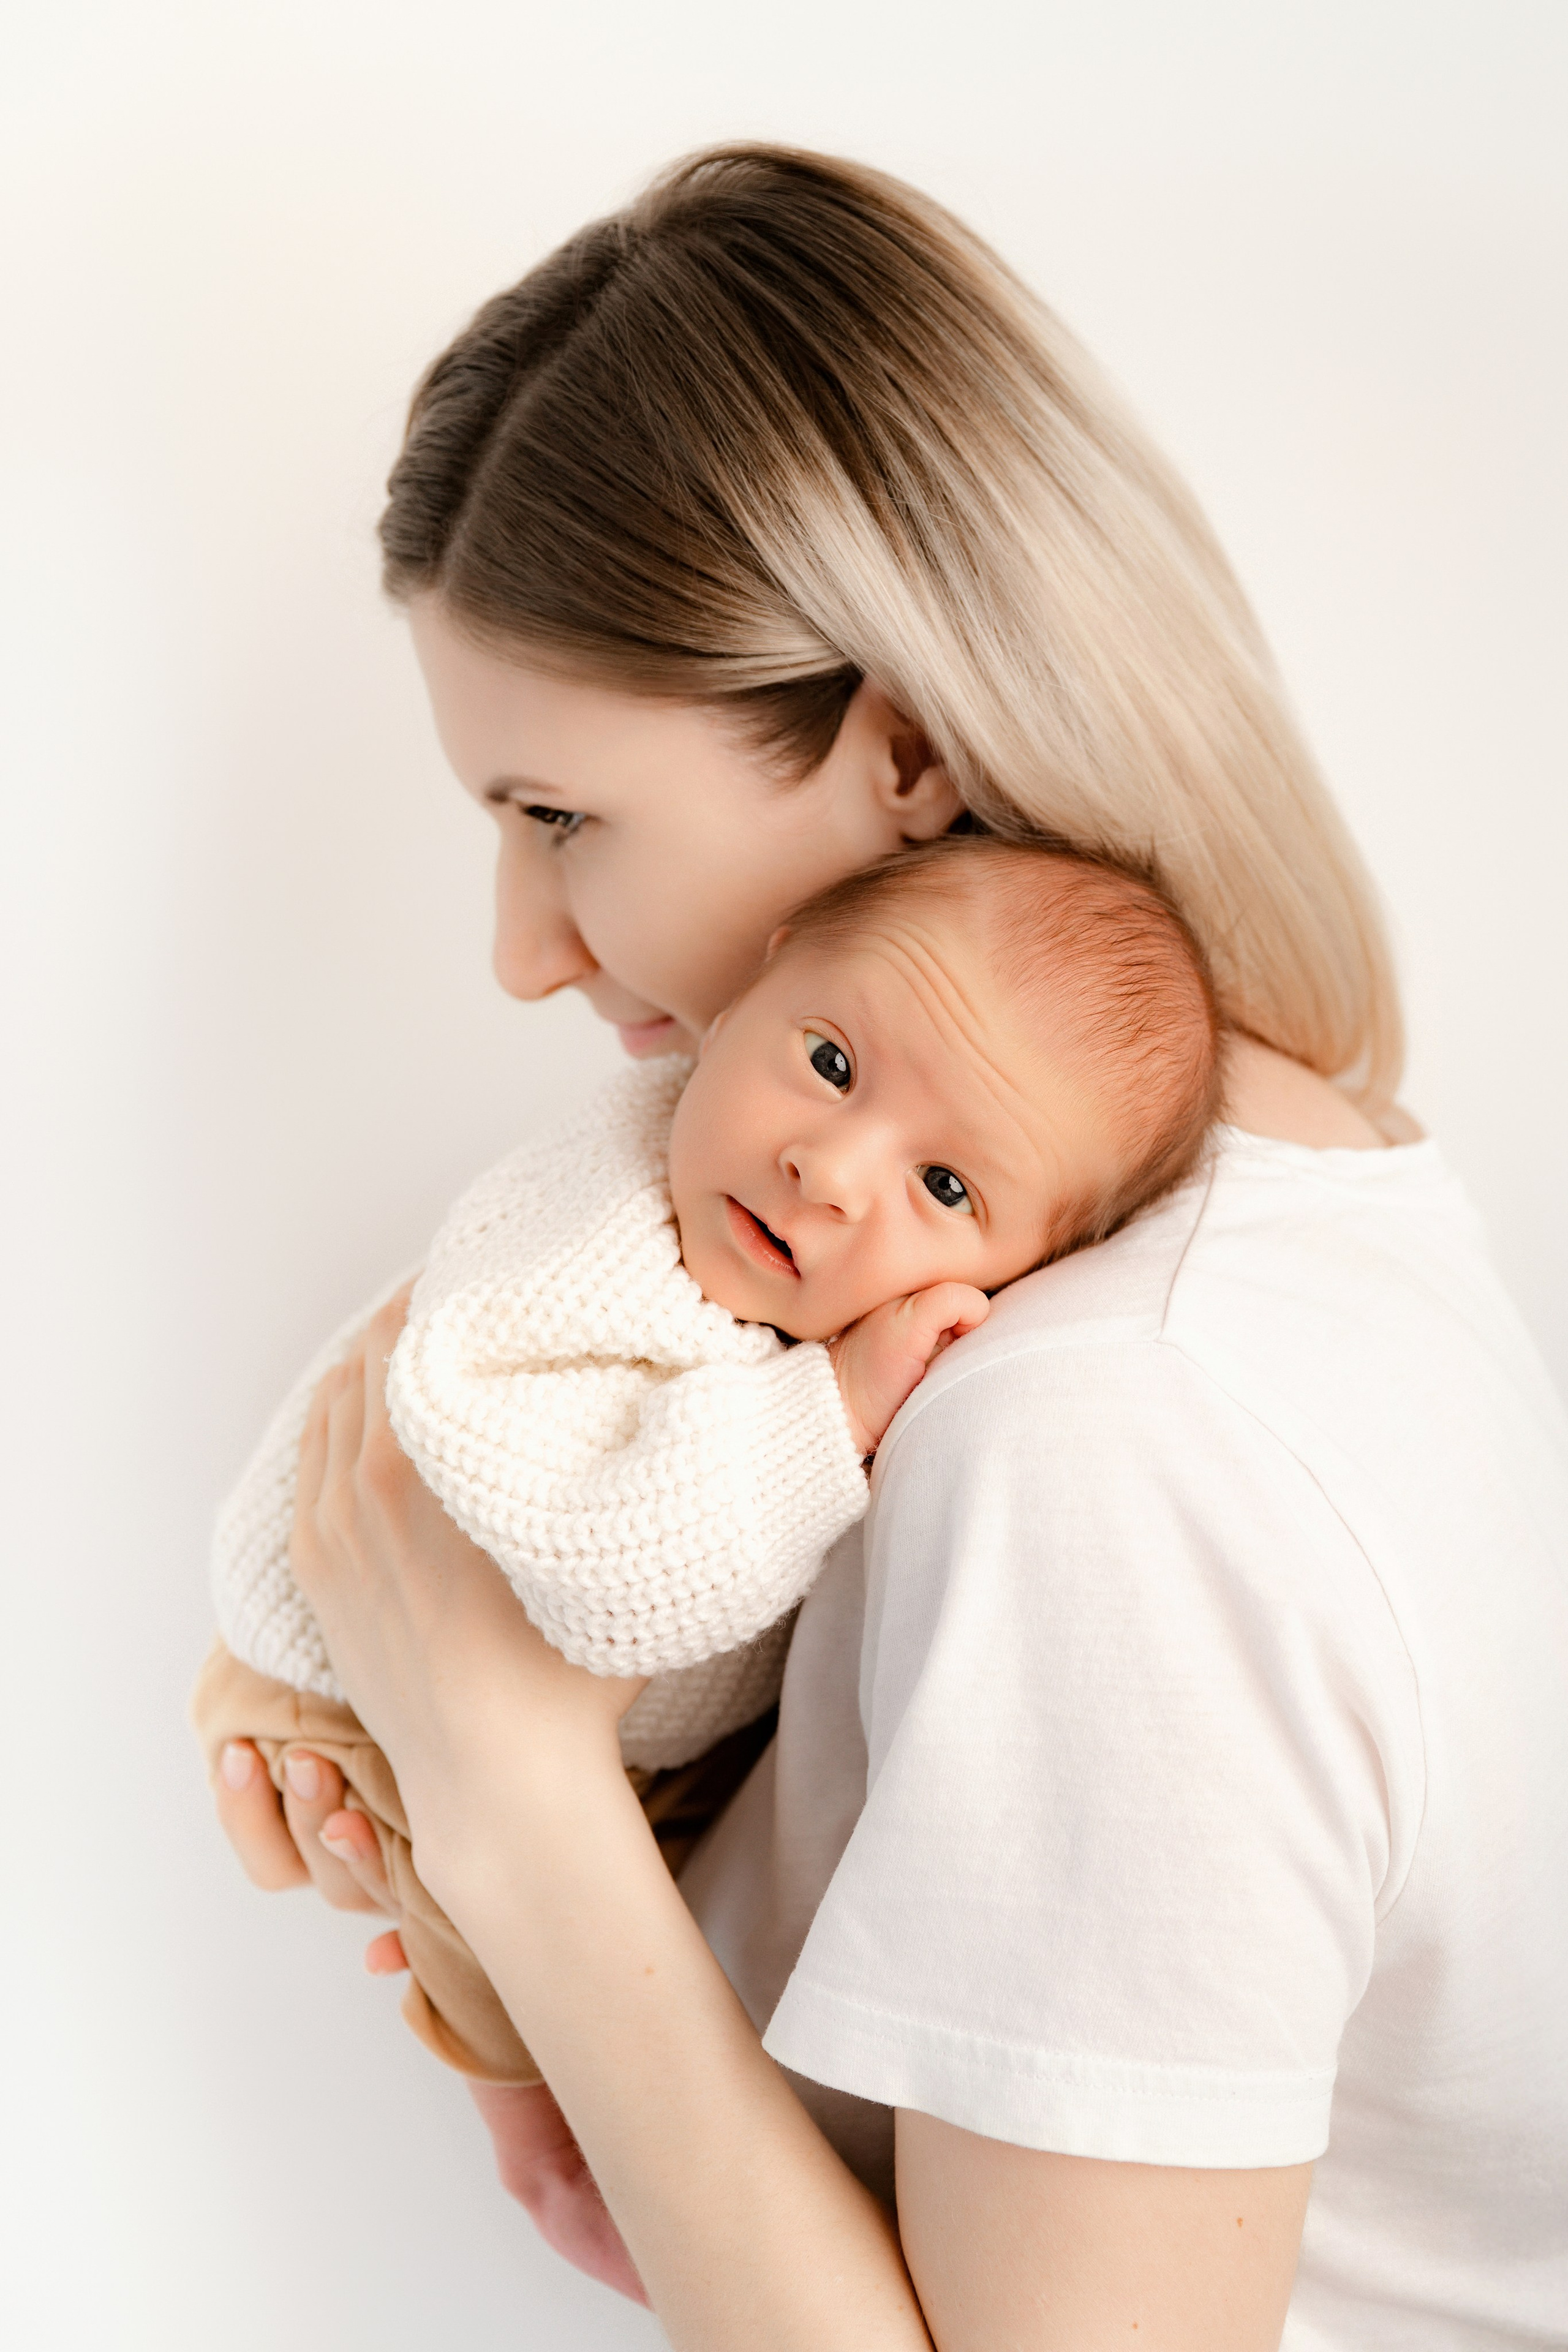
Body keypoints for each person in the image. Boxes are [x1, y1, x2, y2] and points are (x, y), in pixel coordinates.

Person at [208, 145, 1568, 2346]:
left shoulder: (1116, 1436)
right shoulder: (1315, 1201)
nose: (523, 949)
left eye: (562, 818)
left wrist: (509, 1797)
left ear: (907, 755)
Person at [198, 836, 1220, 2087]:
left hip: (622, 1732)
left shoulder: (782, 1268)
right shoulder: (594, 1238)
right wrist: (830, 1410)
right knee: (537, 1999)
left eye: (945, 1185)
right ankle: (528, 2121)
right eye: (831, 1064)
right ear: (746, 994)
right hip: (347, 1688)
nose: (828, 1173)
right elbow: (602, 1571)